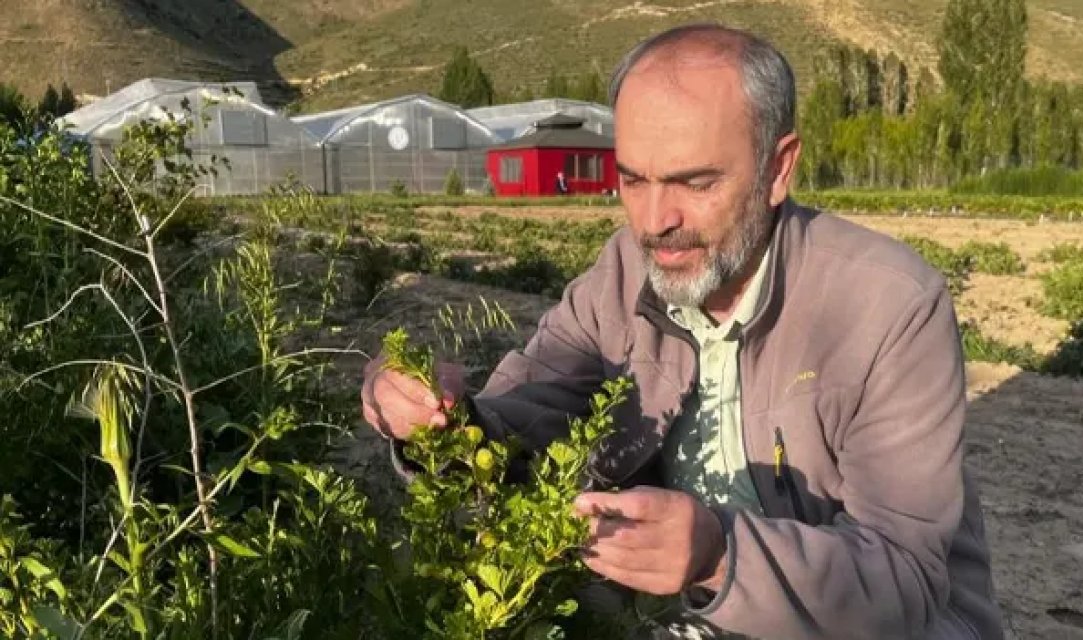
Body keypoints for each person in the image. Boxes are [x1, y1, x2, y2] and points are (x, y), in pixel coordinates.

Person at [362, 23, 1003, 640]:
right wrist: (442, 421)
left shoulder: (888, 306)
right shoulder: (621, 273)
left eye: (694, 183)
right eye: (632, 179)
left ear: (778, 168)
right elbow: (528, 414)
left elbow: (903, 580)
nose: (654, 220)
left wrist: (719, 556)